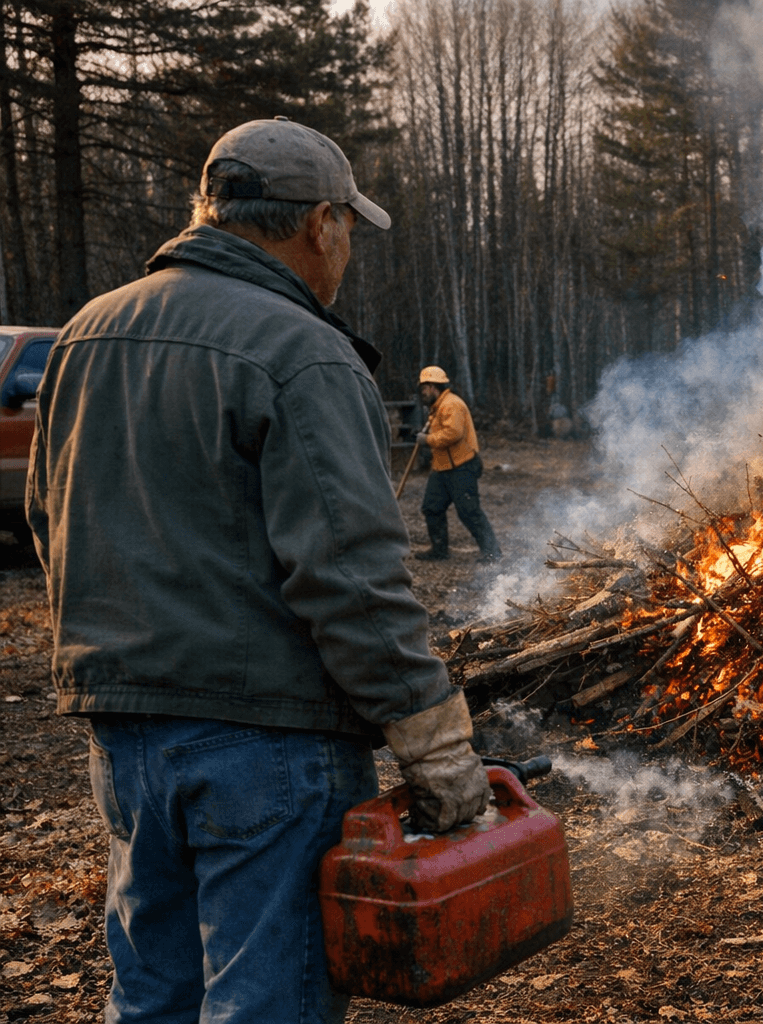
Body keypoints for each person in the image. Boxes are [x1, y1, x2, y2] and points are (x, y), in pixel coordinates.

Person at [26, 117, 492, 1024]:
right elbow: (353, 581)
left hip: (123, 739)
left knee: (153, 994)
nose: (347, 248)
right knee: (266, 999)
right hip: (267, 744)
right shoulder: (301, 351)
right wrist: (436, 748)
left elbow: (53, 520)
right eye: (349, 226)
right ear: (318, 223)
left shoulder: (86, 334)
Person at [414, 365, 502, 563]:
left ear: (433, 386)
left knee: (469, 512)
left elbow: (453, 433)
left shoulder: (451, 404)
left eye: (424, 388)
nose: (423, 392)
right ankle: (439, 550)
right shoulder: (437, 407)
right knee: (432, 508)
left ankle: (492, 553)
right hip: (442, 468)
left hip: (462, 466)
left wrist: (427, 440)